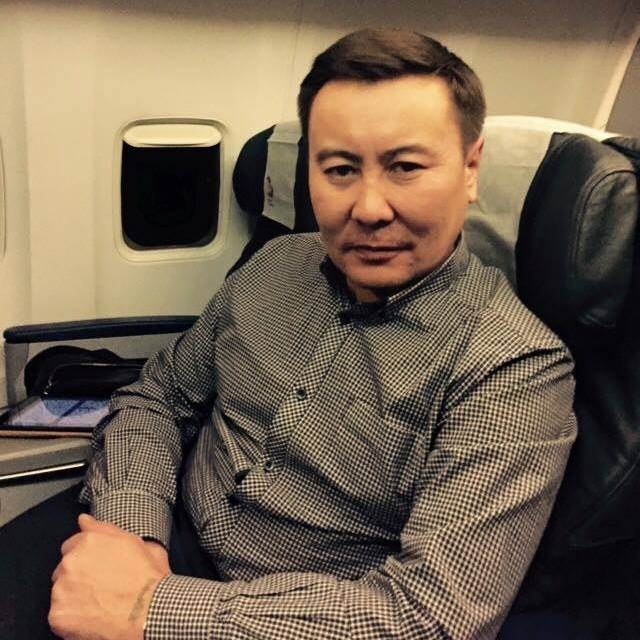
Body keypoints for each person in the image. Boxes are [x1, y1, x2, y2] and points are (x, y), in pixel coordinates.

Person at [10, 28, 577, 640]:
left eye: (405, 167)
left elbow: (428, 617)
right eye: (340, 169)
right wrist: (131, 535)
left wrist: (149, 609)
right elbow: (160, 396)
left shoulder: (514, 367)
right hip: (152, 524)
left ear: (470, 169)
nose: (369, 208)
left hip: (293, 618)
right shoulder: (276, 264)